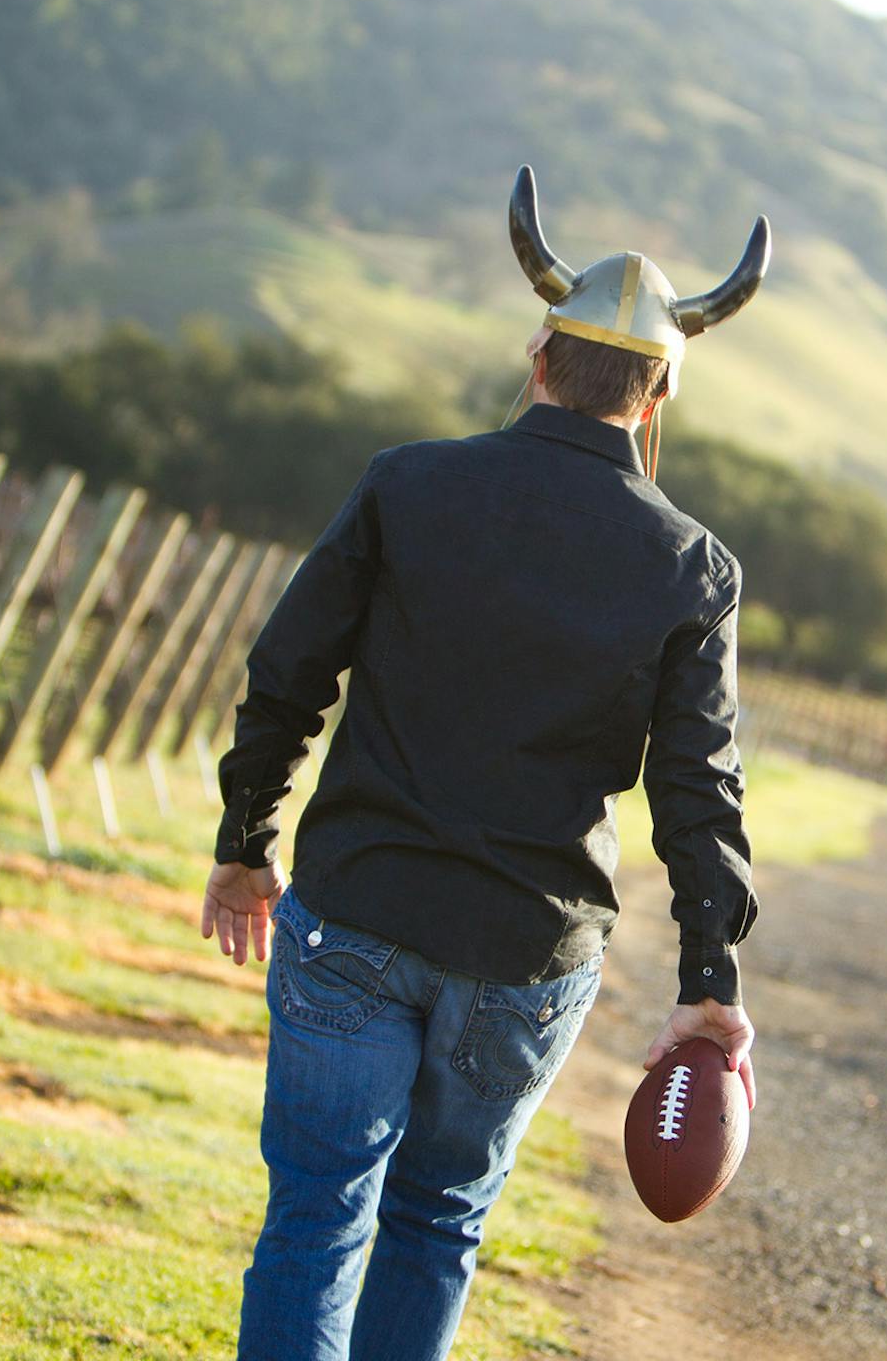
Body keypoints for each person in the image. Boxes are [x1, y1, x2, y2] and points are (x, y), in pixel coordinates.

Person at [199, 166, 773, 1361]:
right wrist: (708, 978)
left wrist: (245, 848)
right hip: (525, 955)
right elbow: (697, 789)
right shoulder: (691, 566)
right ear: (659, 392)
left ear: (539, 357)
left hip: (355, 910)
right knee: (438, 1218)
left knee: (314, 1216)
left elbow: (287, 674)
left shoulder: (406, 485)